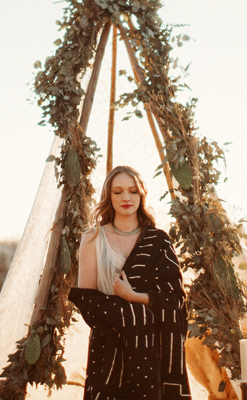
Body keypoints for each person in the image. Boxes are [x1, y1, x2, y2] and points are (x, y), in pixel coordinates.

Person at [68, 165, 192, 400]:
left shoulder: (158, 241)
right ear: (109, 196)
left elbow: (175, 300)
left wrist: (132, 297)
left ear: (142, 195)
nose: (126, 197)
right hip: (109, 346)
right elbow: (86, 300)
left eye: (133, 191)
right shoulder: (93, 238)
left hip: (153, 350)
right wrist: (130, 316)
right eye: (118, 192)